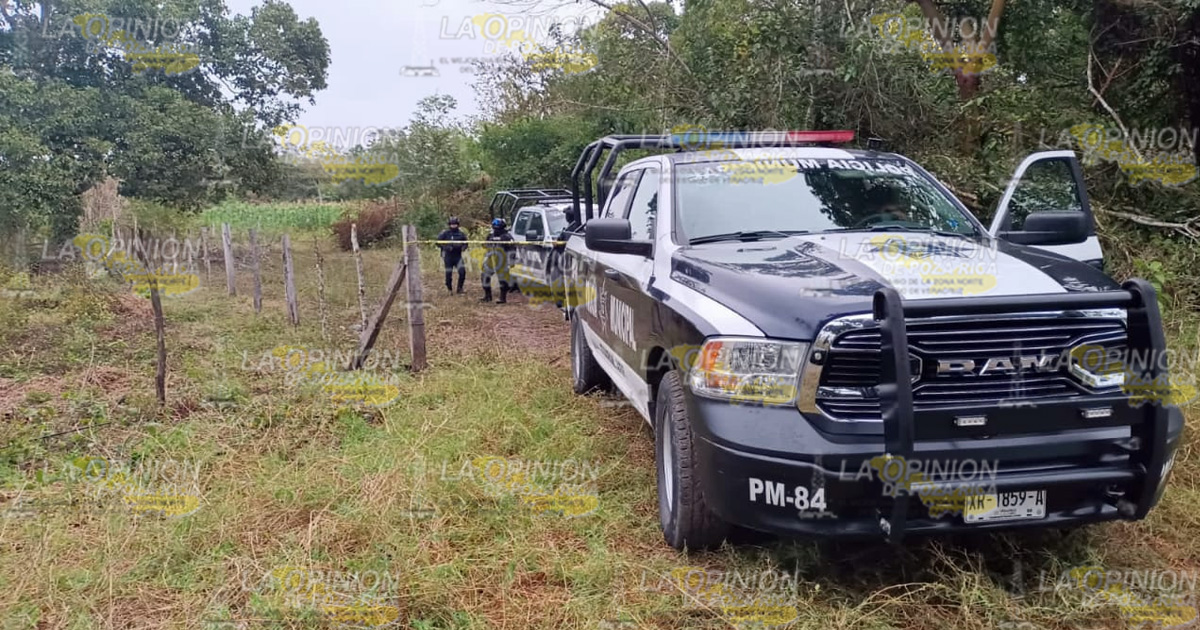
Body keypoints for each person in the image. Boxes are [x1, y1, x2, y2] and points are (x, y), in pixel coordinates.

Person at [481, 217, 515, 303]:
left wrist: (511, 260)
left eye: (498, 227)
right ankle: (487, 296)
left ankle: (503, 298)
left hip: (503, 259)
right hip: (491, 258)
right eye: (495, 227)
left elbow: (513, 249)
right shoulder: (490, 235)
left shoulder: (507, 236)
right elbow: (485, 245)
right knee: (484, 276)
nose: (496, 229)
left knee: (503, 279)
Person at [437, 217, 469, 294]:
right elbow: (438, 242)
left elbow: (466, 243)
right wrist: (446, 247)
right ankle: (449, 288)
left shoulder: (461, 234)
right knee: (448, 273)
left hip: (458, 256)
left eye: (455, 224)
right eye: (452, 224)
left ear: (458, 225)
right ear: (449, 225)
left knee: (462, 272)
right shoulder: (445, 233)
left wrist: (463, 248)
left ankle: (460, 288)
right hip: (448, 256)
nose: (453, 226)